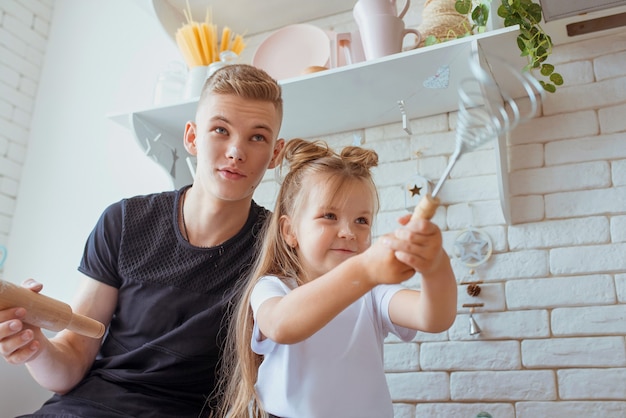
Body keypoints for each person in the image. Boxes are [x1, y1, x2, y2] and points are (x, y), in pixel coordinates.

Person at [0, 64, 285, 417]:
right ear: (193, 137)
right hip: (82, 408)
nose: (235, 151)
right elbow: (71, 362)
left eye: (257, 137)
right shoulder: (123, 222)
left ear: (275, 153)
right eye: (220, 130)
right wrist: (36, 346)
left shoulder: (279, 248)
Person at [218, 138, 458, 418]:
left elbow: (435, 317)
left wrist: (436, 264)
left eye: (361, 221)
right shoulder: (273, 287)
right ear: (289, 231)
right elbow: (282, 325)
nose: (348, 232)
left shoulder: (373, 293)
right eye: (329, 216)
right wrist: (365, 270)